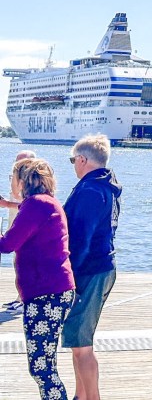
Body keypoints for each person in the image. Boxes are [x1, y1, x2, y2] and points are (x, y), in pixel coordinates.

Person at [0, 159, 76, 399]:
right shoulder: (45, 203)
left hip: (46, 295)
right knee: (44, 364)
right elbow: (28, 212)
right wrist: (7, 204)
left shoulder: (36, 206)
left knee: (42, 368)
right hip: (53, 291)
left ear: (23, 180)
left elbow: (7, 244)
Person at [61, 134, 122, 400]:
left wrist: (69, 276)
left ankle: (91, 397)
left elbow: (81, 238)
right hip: (103, 266)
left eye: (73, 159)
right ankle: (81, 395)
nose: (73, 164)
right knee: (78, 342)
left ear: (83, 159)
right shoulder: (107, 185)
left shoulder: (89, 190)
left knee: (82, 344)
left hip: (89, 270)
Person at [4, 149, 36, 312]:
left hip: (24, 224)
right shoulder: (17, 176)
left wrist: (7, 204)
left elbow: (31, 206)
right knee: (17, 259)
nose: (18, 166)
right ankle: (20, 297)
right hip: (15, 220)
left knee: (24, 260)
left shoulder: (33, 182)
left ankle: (24, 299)